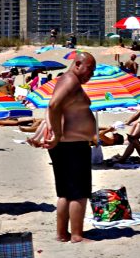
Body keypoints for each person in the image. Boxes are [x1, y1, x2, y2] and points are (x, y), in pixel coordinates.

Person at [39, 51, 97, 243]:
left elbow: (55, 108)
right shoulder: (71, 81)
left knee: (65, 192)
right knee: (79, 193)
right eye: (90, 69)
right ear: (78, 64)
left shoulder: (66, 80)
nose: (92, 74)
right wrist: (56, 134)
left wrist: (55, 135)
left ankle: (62, 234)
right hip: (72, 145)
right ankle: (77, 235)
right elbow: (54, 105)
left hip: (66, 144)